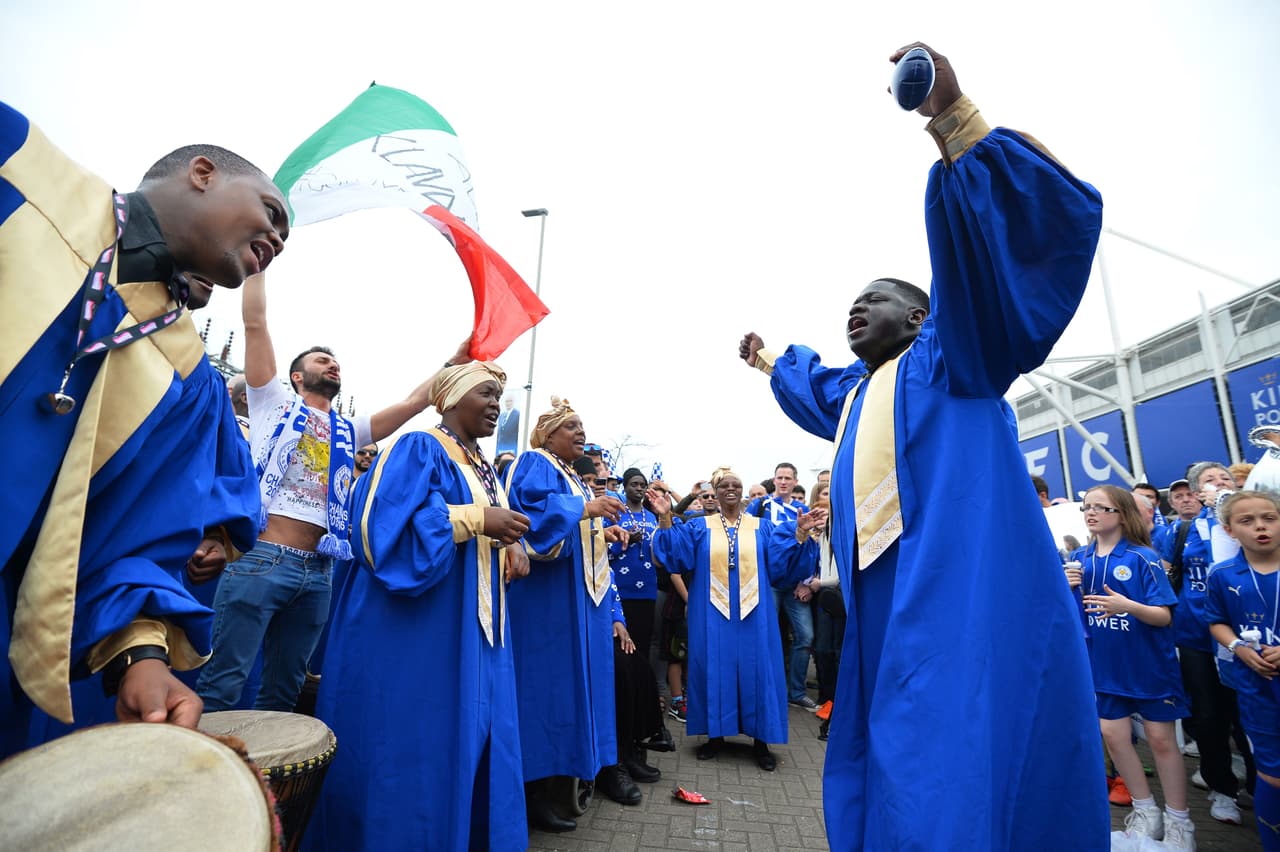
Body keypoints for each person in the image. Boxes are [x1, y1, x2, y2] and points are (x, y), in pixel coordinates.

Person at [738, 43, 1106, 849]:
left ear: (920, 315)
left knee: (948, 744)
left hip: (952, 573)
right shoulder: (863, 391)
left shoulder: (951, 354)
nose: (855, 311)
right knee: (887, 738)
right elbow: (813, 386)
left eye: (874, 301)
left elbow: (979, 267)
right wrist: (768, 359)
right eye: (851, 305)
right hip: (878, 589)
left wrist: (951, 117)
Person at [0, 102, 281, 756]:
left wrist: (140, 659)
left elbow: (125, 537)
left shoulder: (184, 377)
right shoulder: (24, 172)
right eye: (271, 210)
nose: (279, 235)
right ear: (203, 173)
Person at [197, 271, 469, 713]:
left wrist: (451, 365)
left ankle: (266, 782)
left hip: (319, 573)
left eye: (334, 361)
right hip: (264, 560)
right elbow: (255, 324)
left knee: (283, 695)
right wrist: (258, 265)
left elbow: (414, 403)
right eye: (321, 360)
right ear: (296, 376)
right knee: (224, 685)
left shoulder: (349, 430)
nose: (332, 364)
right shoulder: (273, 404)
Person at [306, 362, 530, 852]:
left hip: (472, 628)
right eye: (486, 394)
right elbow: (381, 526)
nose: (496, 404)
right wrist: (476, 518)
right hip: (417, 627)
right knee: (415, 740)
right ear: (450, 400)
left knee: (472, 735)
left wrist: (508, 541)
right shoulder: (420, 446)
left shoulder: (484, 467)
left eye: (499, 396)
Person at [504, 398, 631, 831]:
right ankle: (528, 795)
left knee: (569, 692)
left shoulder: (570, 475)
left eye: (582, 426)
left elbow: (573, 523)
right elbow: (529, 521)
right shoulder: (534, 462)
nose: (580, 432)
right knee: (544, 692)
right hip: (547, 606)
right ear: (548, 432)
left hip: (577, 602)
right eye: (571, 425)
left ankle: (557, 786)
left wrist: (601, 529)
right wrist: (585, 510)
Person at [648, 467, 822, 770]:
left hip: (756, 613)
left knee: (759, 670)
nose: (731, 488)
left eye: (736, 484)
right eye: (724, 485)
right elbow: (676, 557)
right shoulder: (699, 527)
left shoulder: (763, 527)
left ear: (742, 491)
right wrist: (665, 517)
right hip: (712, 612)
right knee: (715, 668)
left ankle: (761, 740)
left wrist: (800, 532)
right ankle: (716, 736)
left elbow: (782, 568)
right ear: (714, 491)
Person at [1070, 486, 1193, 847]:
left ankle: (1180, 820)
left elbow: (1163, 616)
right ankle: (1145, 810)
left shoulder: (1143, 558)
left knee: (1160, 740)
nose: (1091, 513)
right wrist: (1065, 588)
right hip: (1104, 668)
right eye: (1086, 507)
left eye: (1100, 507)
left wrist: (1127, 606)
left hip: (1148, 666)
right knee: (1113, 736)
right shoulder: (1078, 558)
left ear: (1121, 514)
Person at [1162, 462, 1251, 823]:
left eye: (1225, 479)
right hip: (1196, 634)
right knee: (1210, 715)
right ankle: (1222, 788)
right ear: (1199, 493)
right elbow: (1170, 572)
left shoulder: (1249, 522)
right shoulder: (1184, 529)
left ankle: (1262, 786)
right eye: (1210, 481)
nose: (1220, 484)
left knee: (1246, 715)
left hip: (1245, 636)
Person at [1206, 490, 1280, 852]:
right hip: (1256, 685)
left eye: (1269, 518)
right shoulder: (1222, 574)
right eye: (1247, 521)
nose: (1261, 527)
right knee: (1271, 772)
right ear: (1229, 530)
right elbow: (1217, 622)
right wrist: (1238, 648)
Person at [747, 462, 817, 712]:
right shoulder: (761, 505)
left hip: (794, 584)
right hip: (768, 581)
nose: (784, 481)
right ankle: (759, 689)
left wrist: (806, 581)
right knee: (764, 635)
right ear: (774, 480)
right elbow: (747, 536)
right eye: (780, 477)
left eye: (788, 478)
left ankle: (795, 692)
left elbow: (812, 547)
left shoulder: (802, 509)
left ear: (796, 481)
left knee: (805, 636)